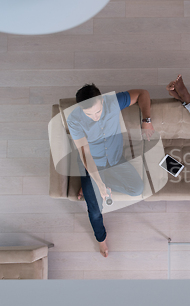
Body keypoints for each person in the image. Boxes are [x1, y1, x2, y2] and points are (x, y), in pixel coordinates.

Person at [67, 84, 154, 257]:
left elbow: (143, 93)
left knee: (137, 189)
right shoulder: (74, 119)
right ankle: (101, 240)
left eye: (97, 112)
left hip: (115, 160)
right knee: (94, 208)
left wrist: (147, 120)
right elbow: (86, 154)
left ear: (102, 101)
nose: (95, 117)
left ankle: (89, 184)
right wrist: (98, 184)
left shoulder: (113, 102)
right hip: (91, 162)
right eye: (89, 114)